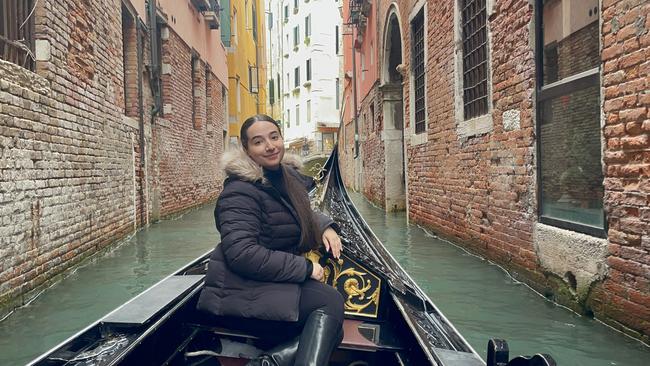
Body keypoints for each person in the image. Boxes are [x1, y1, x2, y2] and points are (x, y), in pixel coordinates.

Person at [196, 114, 345, 366]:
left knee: (332, 329)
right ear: (246, 149)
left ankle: (267, 363)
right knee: (330, 303)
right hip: (241, 289)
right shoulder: (239, 192)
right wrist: (306, 268)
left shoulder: (285, 177)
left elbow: (299, 212)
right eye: (258, 141)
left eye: (274, 137)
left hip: (269, 280)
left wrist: (324, 227)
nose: (270, 146)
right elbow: (242, 254)